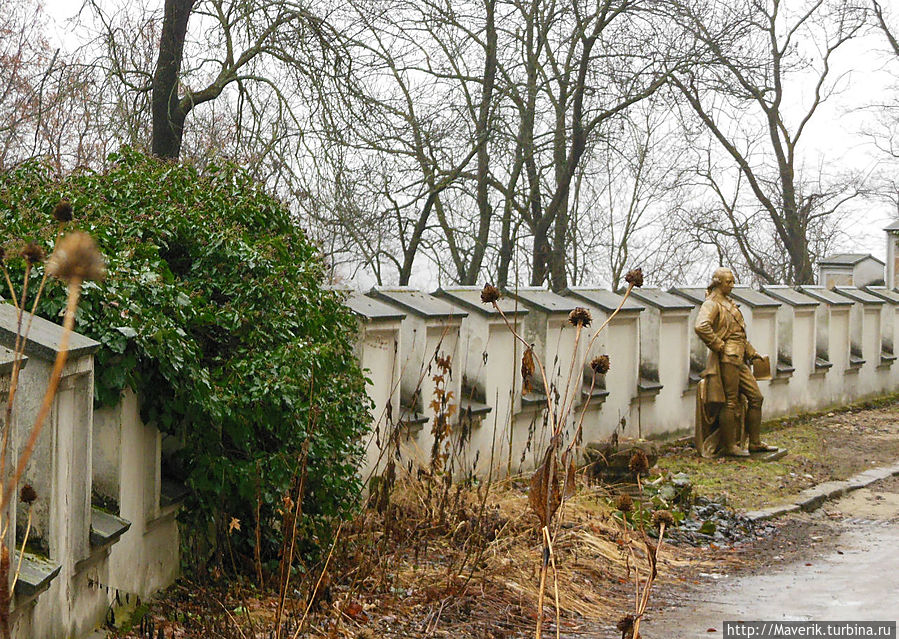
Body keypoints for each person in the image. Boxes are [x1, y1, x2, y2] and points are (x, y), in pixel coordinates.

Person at [694, 268, 776, 457]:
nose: (732, 285)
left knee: (756, 398)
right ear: (718, 282)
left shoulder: (728, 303)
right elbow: (701, 326)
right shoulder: (712, 303)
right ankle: (730, 446)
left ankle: (754, 443)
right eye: (728, 282)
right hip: (727, 359)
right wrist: (720, 346)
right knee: (729, 402)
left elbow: (737, 333)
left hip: (739, 357)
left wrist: (753, 353)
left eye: (732, 281)